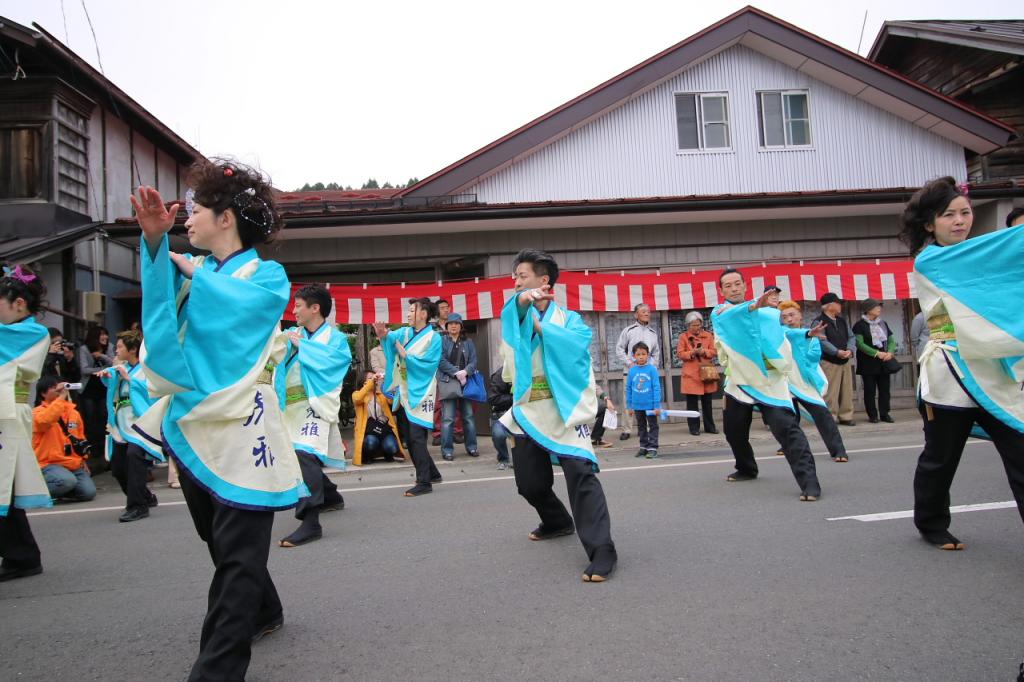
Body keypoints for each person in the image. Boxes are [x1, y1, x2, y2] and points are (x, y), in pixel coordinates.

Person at [130, 160, 304, 680]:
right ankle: (265, 608)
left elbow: (246, 308)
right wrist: (158, 248)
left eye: (197, 209)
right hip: (193, 422)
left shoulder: (266, 276)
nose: (187, 218)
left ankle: (217, 670)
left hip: (242, 424)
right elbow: (159, 319)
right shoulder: (195, 270)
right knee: (219, 541)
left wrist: (188, 271)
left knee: (236, 556)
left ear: (225, 218)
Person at [898, 176, 1024, 550]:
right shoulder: (932, 260)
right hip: (951, 372)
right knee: (941, 457)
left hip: (992, 370)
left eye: (965, 213)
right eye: (948, 214)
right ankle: (931, 523)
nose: (959, 220)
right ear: (929, 224)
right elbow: (1003, 253)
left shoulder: (979, 256)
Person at [499, 248, 617, 582]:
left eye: (523, 276)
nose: (517, 281)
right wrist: (524, 304)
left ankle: (603, 550)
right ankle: (556, 521)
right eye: (516, 276)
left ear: (544, 279)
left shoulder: (571, 321)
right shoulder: (517, 310)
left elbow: (577, 346)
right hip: (529, 409)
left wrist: (543, 328)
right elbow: (513, 321)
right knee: (530, 485)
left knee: (581, 476)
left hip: (565, 409)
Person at [713, 268, 821, 501]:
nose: (733, 288)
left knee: (788, 430)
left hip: (770, 381)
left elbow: (784, 334)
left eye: (737, 284)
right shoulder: (720, 312)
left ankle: (810, 483)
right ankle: (747, 468)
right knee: (734, 431)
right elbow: (733, 319)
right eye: (728, 285)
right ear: (721, 290)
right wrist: (753, 306)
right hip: (740, 381)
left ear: (745, 284)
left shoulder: (770, 314)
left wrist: (806, 334)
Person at [275, 284, 351, 548]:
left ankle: (310, 522)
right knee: (299, 456)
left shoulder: (335, 338)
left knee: (304, 455)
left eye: (298, 305)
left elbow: (337, 362)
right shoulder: (292, 334)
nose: (294, 310)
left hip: (315, 404)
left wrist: (303, 349)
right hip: (291, 409)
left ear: (315, 308)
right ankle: (330, 495)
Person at [0, 264, 53, 581]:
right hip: (6, 411)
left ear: (18, 303)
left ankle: (23, 556)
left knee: (3, 485)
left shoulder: (32, 332)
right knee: (4, 487)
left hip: (8, 414)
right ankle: (22, 554)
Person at [373, 297, 443, 497]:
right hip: (405, 390)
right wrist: (383, 335)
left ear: (423, 314)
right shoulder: (404, 332)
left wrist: (407, 357)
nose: (408, 314)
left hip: (422, 392)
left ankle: (424, 482)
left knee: (416, 437)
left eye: (412, 310)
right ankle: (433, 473)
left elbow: (430, 364)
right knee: (409, 436)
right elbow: (390, 338)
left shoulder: (434, 338)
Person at [98, 329, 162, 522]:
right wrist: (107, 375)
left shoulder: (147, 368)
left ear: (133, 349)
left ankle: (138, 506)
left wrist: (129, 379)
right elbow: (112, 384)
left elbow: (153, 390)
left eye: (119, 347)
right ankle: (144, 496)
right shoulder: (122, 367)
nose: (116, 350)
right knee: (117, 467)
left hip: (140, 423)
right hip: (122, 423)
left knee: (134, 457)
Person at [777, 300, 849, 462]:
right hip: (785, 381)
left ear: (800, 315)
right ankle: (788, 446)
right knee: (788, 417)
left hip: (804, 382)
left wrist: (808, 338)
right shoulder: (781, 333)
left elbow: (813, 358)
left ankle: (839, 451)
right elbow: (788, 335)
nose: (789, 319)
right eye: (784, 316)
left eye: (792, 315)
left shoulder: (813, 335)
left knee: (823, 415)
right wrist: (807, 335)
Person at [33, 375, 97, 502]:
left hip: (71, 463)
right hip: (49, 463)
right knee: (67, 481)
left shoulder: (73, 413)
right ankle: (34, 493)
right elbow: (46, 420)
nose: (58, 389)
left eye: (59, 386)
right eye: (53, 387)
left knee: (88, 492)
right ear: (43, 393)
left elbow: (80, 439)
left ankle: (61, 491)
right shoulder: (37, 412)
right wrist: (61, 397)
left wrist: (83, 460)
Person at [615, 303, 660, 441]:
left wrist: (651, 366)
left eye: (648, 311)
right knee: (628, 399)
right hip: (630, 372)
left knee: (646, 398)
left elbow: (656, 353)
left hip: (647, 373)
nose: (647, 313)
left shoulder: (653, 333)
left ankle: (644, 428)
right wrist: (630, 363)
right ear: (636, 315)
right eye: (643, 311)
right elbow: (619, 349)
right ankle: (627, 429)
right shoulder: (628, 331)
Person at [437, 312, 479, 460]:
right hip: (449, 381)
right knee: (448, 418)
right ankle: (447, 450)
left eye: (456, 323)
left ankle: (472, 447)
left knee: (468, 416)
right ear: (446, 326)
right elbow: (440, 361)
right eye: (451, 323)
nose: (453, 326)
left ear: (461, 326)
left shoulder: (468, 342)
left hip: (465, 381)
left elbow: (474, 361)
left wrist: (466, 372)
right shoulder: (441, 340)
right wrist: (456, 372)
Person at [812, 293, 857, 426]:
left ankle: (846, 416)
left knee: (847, 390)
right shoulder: (819, 321)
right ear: (830, 305)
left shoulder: (841, 320)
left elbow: (851, 337)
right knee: (830, 391)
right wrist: (836, 352)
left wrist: (850, 350)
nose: (840, 305)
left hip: (845, 359)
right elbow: (821, 340)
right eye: (838, 303)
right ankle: (830, 417)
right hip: (829, 361)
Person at [852, 298, 897, 424]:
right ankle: (872, 415)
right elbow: (859, 344)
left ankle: (885, 413)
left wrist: (890, 352)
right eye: (876, 306)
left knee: (884, 389)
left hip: (884, 361)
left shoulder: (883, 323)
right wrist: (876, 353)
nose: (879, 308)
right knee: (870, 390)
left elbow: (891, 340)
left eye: (879, 306)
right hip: (868, 362)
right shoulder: (859, 325)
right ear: (868, 310)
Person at [675, 311, 719, 435]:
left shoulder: (708, 336)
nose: (696, 327)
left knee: (707, 403)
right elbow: (680, 353)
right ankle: (694, 428)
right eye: (693, 325)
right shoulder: (683, 337)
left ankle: (710, 427)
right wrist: (692, 353)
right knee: (692, 404)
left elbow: (714, 351)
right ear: (688, 325)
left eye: (698, 324)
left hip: (706, 373)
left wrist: (704, 352)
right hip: (691, 374)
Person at [352, 370, 407, 465]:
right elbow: (357, 399)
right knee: (370, 443)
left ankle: (386, 452)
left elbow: (393, 400)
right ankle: (368, 455)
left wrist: (388, 382)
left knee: (392, 447)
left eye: (375, 378)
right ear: (363, 381)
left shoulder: (381, 394)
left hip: (384, 430)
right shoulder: (357, 394)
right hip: (369, 432)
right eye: (370, 378)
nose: (374, 380)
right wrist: (370, 384)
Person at [78, 326, 114, 458]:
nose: (105, 337)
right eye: (101, 335)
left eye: (106, 334)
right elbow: (84, 369)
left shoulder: (110, 347)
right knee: (90, 416)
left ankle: (103, 446)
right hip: (89, 388)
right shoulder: (84, 349)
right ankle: (91, 446)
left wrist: (101, 356)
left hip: (104, 387)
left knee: (104, 415)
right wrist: (102, 370)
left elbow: (114, 364)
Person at [431, 297, 463, 446]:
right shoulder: (432, 328)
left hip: (456, 370)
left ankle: (457, 431)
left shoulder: (456, 325)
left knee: (455, 400)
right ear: (437, 311)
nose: (446, 309)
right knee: (438, 402)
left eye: (447, 307)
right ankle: (438, 433)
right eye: (443, 307)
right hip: (437, 370)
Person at [626, 341, 661, 458]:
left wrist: (657, 406)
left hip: (650, 405)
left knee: (653, 426)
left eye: (643, 354)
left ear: (648, 355)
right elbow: (629, 389)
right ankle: (643, 447)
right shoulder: (632, 371)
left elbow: (656, 387)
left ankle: (652, 447)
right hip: (637, 405)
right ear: (634, 356)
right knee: (641, 426)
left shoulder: (652, 370)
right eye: (638, 354)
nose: (641, 357)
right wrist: (629, 406)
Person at [487, 365, 514, 470]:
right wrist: (515, 398)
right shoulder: (500, 374)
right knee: (498, 434)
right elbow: (492, 398)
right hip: (502, 413)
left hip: (521, 412)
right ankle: (503, 458)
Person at [589, 384, 616, 449]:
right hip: (573, 410)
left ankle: (595, 438)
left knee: (606, 409)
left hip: (587, 408)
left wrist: (607, 400)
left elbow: (596, 387)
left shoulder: (586, 377)